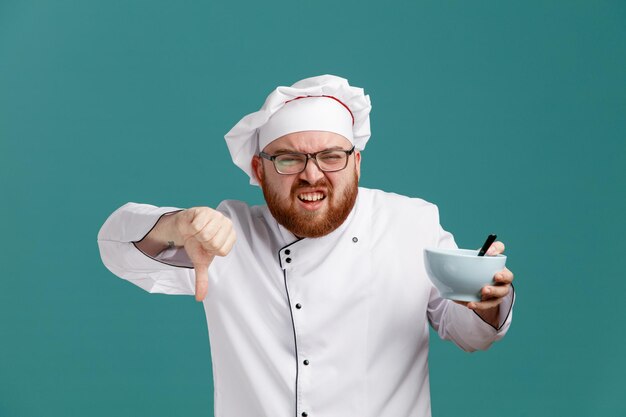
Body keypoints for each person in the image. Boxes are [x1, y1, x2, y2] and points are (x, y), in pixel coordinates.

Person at [97, 74, 515, 417]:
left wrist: (484, 301)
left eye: (331, 156)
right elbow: (114, 245)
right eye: (289, 159)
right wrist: (175, 225)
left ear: (356, 163)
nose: (312, 175)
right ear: (259, 170)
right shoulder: (225, 234)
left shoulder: (410, 223)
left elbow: (470, 334)